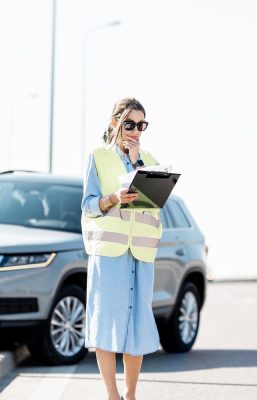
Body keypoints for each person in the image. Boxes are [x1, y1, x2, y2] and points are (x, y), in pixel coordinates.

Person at [81, 97, 161, 400]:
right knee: (105, 324)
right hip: (110, 254)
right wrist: (113, 198)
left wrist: (139, 161)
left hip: (140, 255)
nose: (136, 131)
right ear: (115, 122)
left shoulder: (151, 160)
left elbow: (153, 207)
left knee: (136, 327)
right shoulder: (98, 157)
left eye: (141, 125)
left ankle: (130, 395)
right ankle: (112, 395)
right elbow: (88, 205)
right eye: (130, 124)